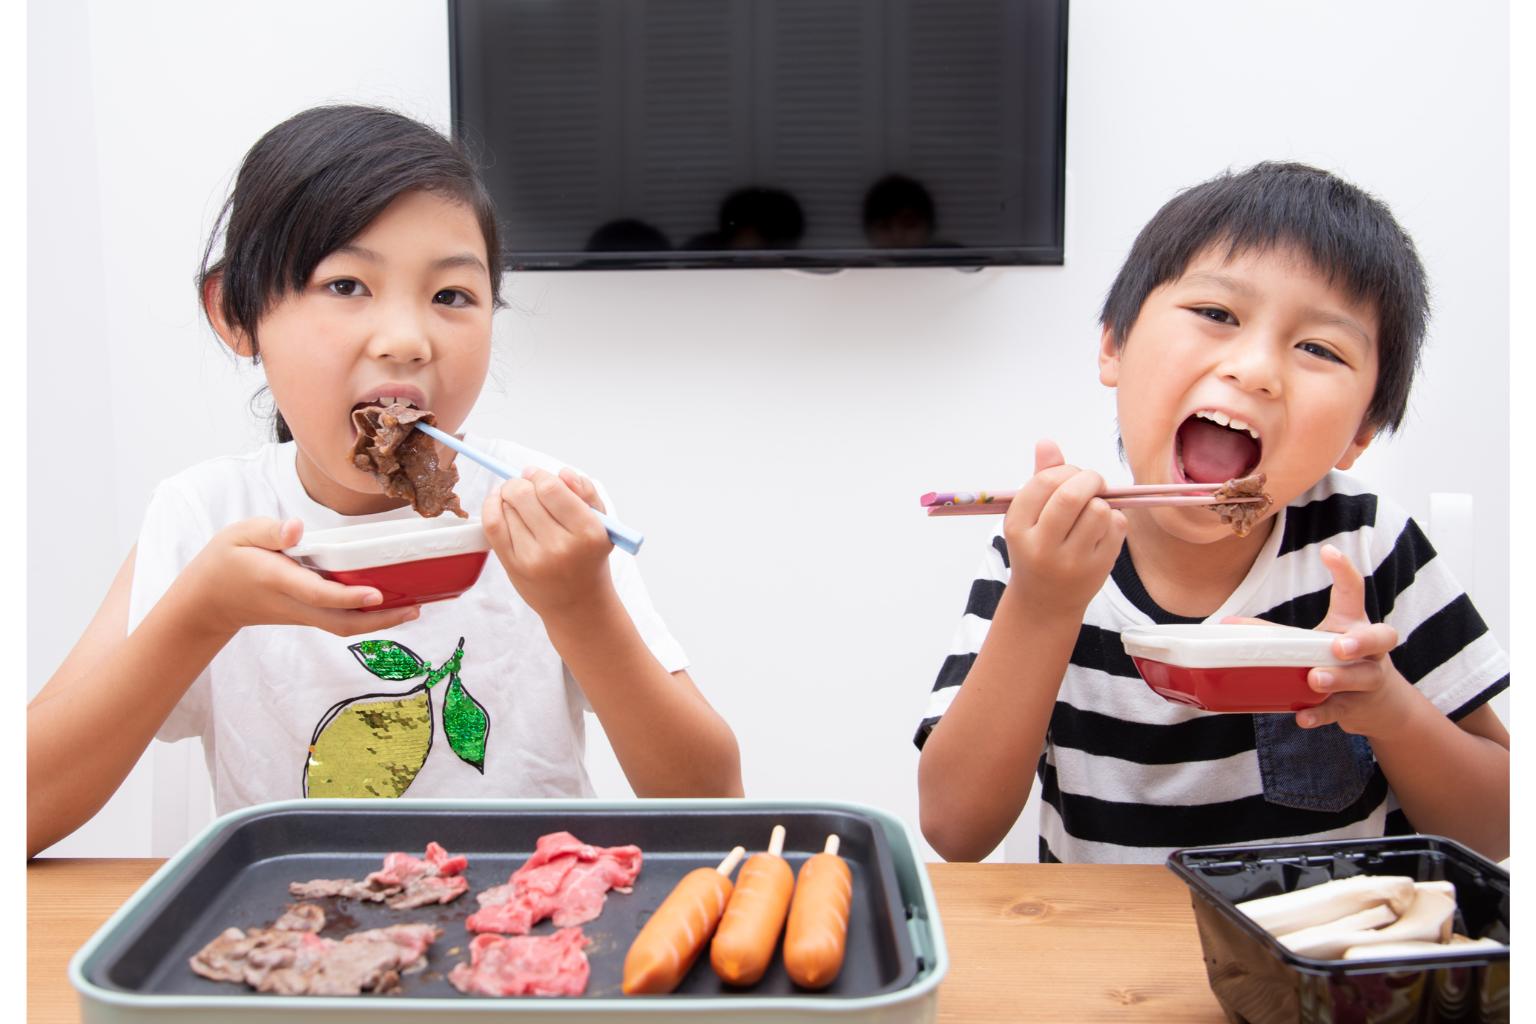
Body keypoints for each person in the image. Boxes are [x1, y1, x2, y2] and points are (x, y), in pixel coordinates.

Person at [27, 106, 742, 858]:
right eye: (345, 285)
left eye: (452, 297)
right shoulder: (206, 517)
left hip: (530, 938)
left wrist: (582, 606)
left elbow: (714, 801)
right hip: (297, 945)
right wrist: (199, 617)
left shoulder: (545, 513)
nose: (407, 339)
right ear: (236, 314)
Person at [915, 162, 1509, 864]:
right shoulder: (1046, 550)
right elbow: (956, 829)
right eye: (1217, 315)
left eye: (1318, 348)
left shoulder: (1366, 544)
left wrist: (1383, 705)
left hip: (1326, 959)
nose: (1255, 368)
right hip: (1104, 959)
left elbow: (1496, 828)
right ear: (1114, 343)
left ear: (1359, 433)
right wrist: (1044, 603)